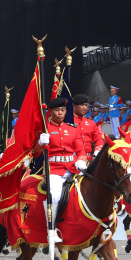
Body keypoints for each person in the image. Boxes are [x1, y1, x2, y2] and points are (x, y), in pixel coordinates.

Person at [31, 97, 85, 245]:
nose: (60, 113)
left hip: (73, 169)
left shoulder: (72, 129)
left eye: (62, 110)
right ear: (50, 111)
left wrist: (82, 160)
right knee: (54, 195)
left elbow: (81, 150)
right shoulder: (45, 129)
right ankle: (52, 229)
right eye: (57, 110)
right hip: (53, 170)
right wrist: (41, 143)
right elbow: (35, 153)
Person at [72, 94, 104, 160]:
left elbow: (99, 139)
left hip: (88, 158)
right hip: (72, 159)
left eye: (85, 105)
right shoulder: (68, 121)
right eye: (81, 105)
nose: (84, 107)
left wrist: (97, 151)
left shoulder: (90, 122)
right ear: (74, 106)